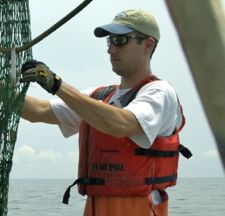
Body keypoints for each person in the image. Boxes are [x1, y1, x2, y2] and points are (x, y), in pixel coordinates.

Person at [21, 9, 191, 216]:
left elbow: (123, 124)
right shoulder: (98, 96)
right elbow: (38, 111)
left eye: (120, 40)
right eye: (109, 41)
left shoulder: (160, 92)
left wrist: (56, 84)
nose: (111, 49)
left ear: (148, 44)